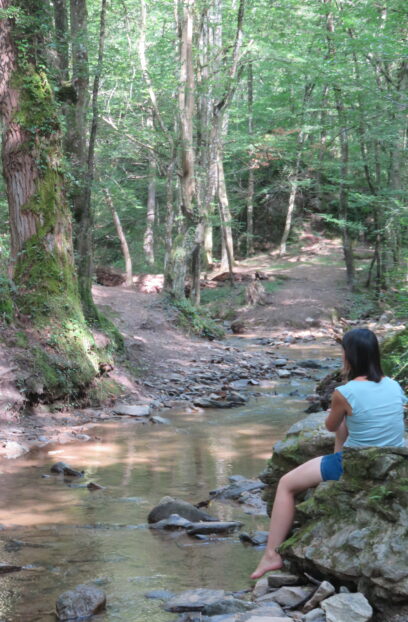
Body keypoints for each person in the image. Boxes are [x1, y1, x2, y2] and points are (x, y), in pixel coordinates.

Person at [250, 327, 407, 580]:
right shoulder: (395, 385)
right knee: (352, 422)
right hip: (393, 460)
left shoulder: (345, 392)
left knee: (286, 484)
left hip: (358, 464)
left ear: (349, 356)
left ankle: (271, 554)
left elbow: (331, 426)